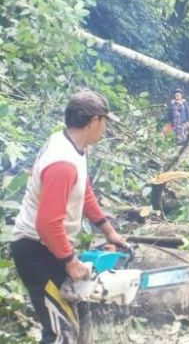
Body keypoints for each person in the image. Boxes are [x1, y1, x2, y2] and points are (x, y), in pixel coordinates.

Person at [11, 90, 126, 343]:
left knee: (73, 323)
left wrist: (107, 230)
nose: (105, 128)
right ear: (95, 121)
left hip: (48, 248)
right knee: (60, 332)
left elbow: (83, 190)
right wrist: (71, 261)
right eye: (105, 122)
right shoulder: (62, 162)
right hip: (37, 251)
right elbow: (47, 224)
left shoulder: (72, 146)